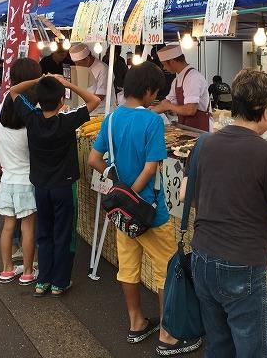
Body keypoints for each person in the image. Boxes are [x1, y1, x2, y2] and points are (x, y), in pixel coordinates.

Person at [89, 62, 202, 356]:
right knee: (168, 269)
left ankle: (137, 322)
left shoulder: (111, 119)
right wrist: (132, 195)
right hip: (150, 211)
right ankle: (168, 333)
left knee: (128, 267)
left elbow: (94, 159)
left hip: (122, 215)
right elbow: (152, 167)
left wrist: (118, 186)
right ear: (150, 91)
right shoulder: (151, 121)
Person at [187, 69, 267, 358]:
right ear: (266, 111)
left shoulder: (203, 143)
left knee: (219, 344)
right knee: (251, 349)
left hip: (202, 256)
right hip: (241, 264)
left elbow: (186, 195)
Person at [8, 74, 100, 297]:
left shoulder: (32, 117)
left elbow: (14, 91)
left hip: (41, 186)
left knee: (44, 233)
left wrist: (38, 80)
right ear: (61, 100)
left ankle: (43, 281)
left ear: (38, 99)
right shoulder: (66, 121)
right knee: (64, 234)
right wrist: (67, 84)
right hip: (64, 187)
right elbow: (94, 101)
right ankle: (59, 282)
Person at [0, 58, 43, 286]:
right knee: (28, 228)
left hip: (7, 180)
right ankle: (28, 270)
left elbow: (14, 93)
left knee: (8, 227)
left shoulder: (6, 104)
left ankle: (6, 269)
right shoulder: (33, 112)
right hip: (26, 180)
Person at [150, 45, 211, 132]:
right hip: (186, 128)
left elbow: (190, 110)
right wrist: (147, 112)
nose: (164, 68)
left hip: (200, 130)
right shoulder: (177, 80)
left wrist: (169, 106)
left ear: (172, 62)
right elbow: (166, 104)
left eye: (164, 64)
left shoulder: (193, 78)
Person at [69, 43, 115, 114]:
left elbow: (100, 96)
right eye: (75, 63)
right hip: (86, 109)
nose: (76, 66)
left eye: (78, 63)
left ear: (87, 59)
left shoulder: (103, 69)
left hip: (101, 112)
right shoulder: (82, 69)